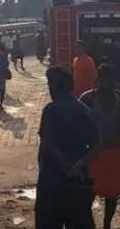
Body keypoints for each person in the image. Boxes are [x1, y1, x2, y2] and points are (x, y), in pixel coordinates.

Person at [35, 66, 100, 229]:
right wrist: (79, 165)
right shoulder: (83, 110)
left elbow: (48, 144)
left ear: (54, 88)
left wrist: (67, 168)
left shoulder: (51, 110)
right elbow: (97, 145)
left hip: (52, 185)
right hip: (78, 184)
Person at [79, 64, 120, 229]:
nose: (109, 82)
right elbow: (76, 124)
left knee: (113, 193)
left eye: (111, 78)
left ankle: (107, 224)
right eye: (105, 79)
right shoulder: (87, 99)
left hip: (116, 153)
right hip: (94, 155)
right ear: (99, 80)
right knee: (89, 192)